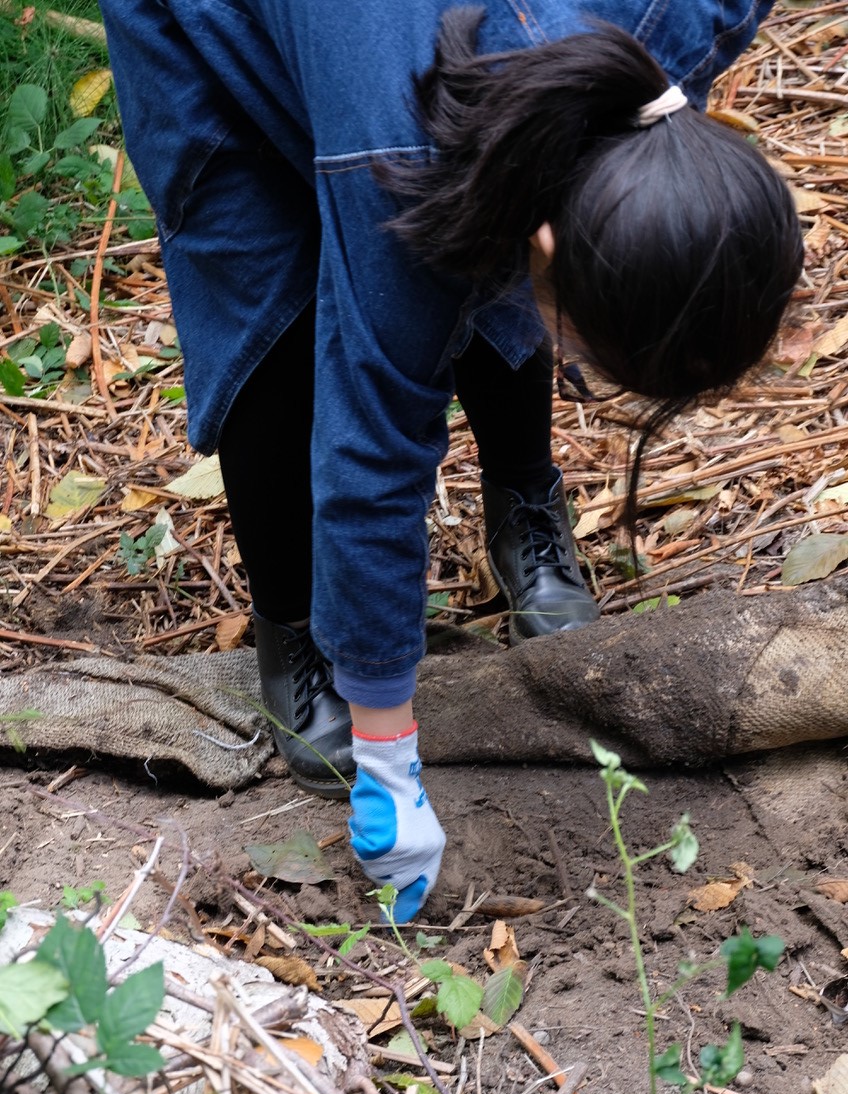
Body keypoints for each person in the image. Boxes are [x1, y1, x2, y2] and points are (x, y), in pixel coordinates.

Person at [99, 0, 802, 922]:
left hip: (400, 58)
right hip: (217, 28)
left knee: (511, 240)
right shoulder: (400, 159)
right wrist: (389, 760)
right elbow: (374, 454)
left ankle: (524, 513)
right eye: (589, 351)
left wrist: (654, 191)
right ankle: (296, 627)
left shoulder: (683, 14)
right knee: (275, 285)